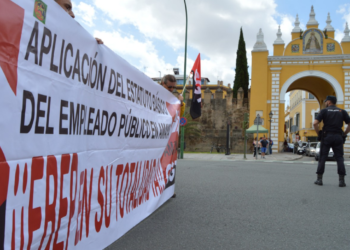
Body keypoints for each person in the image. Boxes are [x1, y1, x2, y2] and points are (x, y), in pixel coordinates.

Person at [313, 95, 350, 187]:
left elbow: (315, 123)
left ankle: (319, 179)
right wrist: (344, 134)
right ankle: (342, 181)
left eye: (326, 101)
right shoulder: (342, 111)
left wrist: (319, 134)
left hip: (327, 136)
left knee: (322, 158)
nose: (325, 103)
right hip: (338, 136)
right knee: (339, 158)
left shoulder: (324, 111)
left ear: (329, 102)